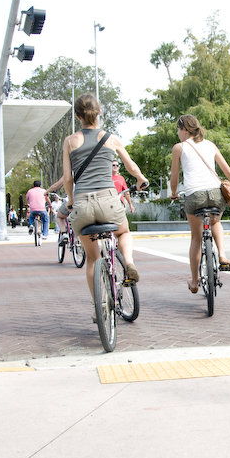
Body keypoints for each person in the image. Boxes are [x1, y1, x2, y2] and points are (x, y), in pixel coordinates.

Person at [63, 93, 148, 318]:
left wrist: (71, 202)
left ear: (78, 115)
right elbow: (131, 166)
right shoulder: (111, 138)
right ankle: (128, 262)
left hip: (82, 205)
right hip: (109, 201)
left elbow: (68, 179)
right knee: (124, 232)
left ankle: (99, 307)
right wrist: (141, 180)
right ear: (99, 111)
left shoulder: (70, 141)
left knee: (92, 258)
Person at [168, 114, 230, 294]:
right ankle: (222, 255)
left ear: (184, 129)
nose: (177, 133)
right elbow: (229, 172)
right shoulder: (210, 145)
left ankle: (194, 281)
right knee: (216, 222)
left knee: (196, 237)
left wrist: (174, 193)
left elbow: (174, 179)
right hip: (216, 195)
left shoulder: (179, 148)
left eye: (178, 129)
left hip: (194, 197)